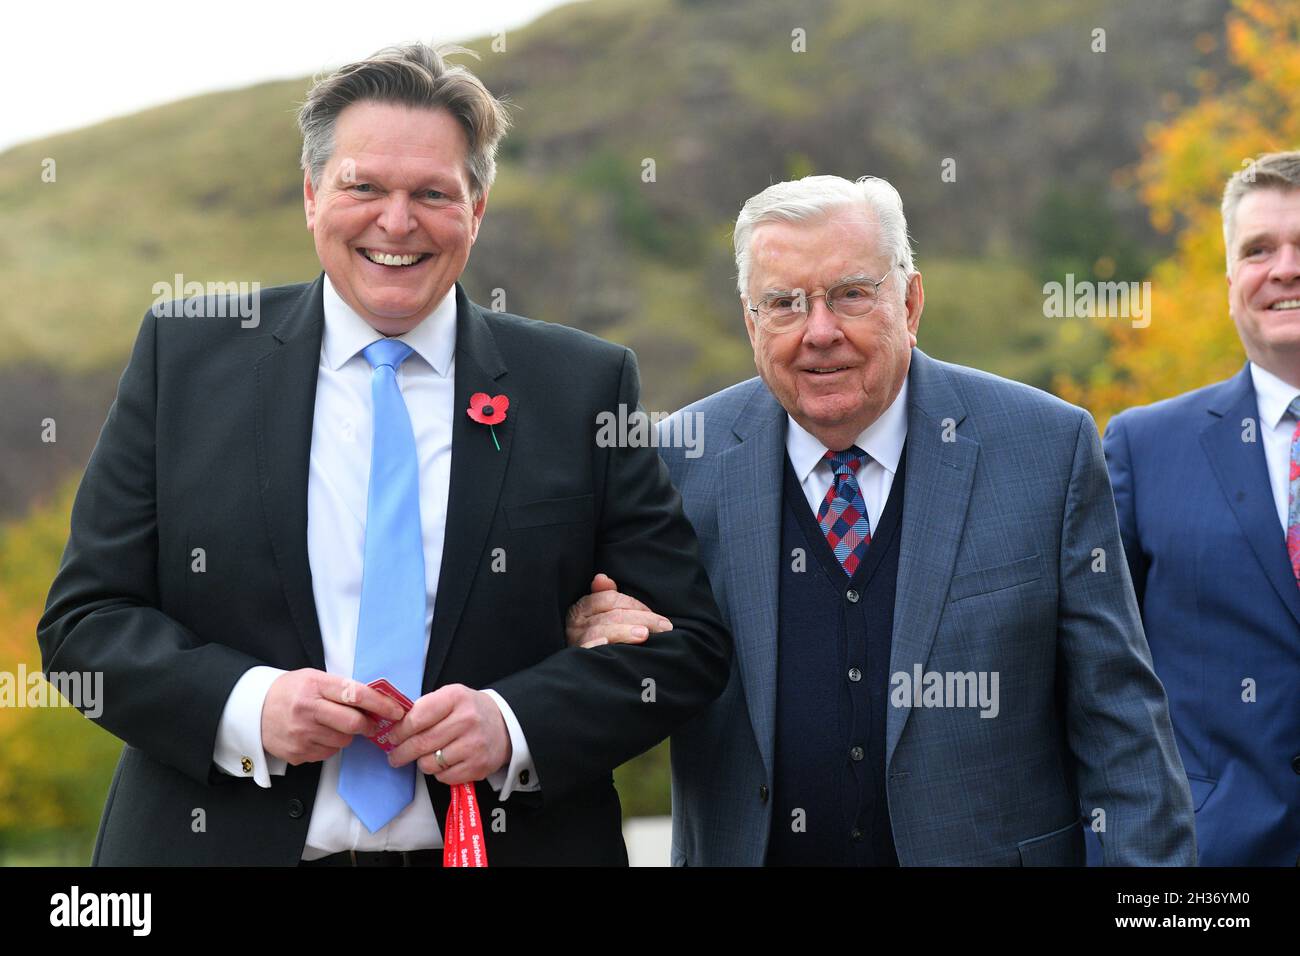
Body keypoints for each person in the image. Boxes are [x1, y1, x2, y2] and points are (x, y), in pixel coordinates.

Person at [37, 42, 730, 866]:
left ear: (476, 208)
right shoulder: (182, 359)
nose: (396, 223)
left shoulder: (584, 385)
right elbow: (85, 624)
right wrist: (246, 706)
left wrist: (511, 724)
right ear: (311, 195)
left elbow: (685, 646)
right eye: (363, 186)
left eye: (432, 193)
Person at [566, 174, 1196, 865]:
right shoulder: (674, 464)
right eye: (784, 304)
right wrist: (589, 629)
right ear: (751, 323)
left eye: (851, 295)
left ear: (911, 300)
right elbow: (622, 671)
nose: (820, 332)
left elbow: (1122, 727)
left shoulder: (1047, 448)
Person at [1101, 151, 1300, 866]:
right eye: (1258, 250)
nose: (1284, 269)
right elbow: (1094, 676)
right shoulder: (1143, 448)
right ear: (1228, 284)